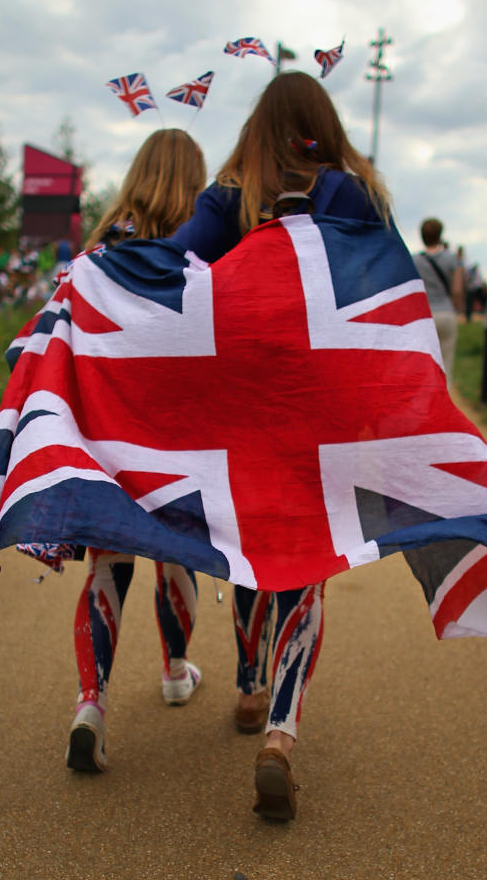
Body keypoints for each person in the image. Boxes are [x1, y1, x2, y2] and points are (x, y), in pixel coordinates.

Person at [170, 69, 393, 820]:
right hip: (322, 409)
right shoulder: (352, 195)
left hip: (237, 409)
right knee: (307, 563)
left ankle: (245, 682)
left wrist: (87, 282)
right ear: (322, 124)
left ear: (258, 128)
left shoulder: (229, 197)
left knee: (247, 544)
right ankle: (281, 732)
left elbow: (169, 268)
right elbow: (385, 296)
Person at [64, 128, 208, 774]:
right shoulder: (203, 257)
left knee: (109, 564)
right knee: (177, 556)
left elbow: (57, 346)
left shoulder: (95, 258)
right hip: (182, 441)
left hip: (110, 438)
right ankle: (175, 671)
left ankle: (90, 704)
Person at [413, 218, 465, 380]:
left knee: (425, 364)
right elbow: (457, 290)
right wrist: (460, 310)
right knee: (446, 364)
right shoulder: (452, 259)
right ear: (440, 235)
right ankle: (444, 400)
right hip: (446, 313)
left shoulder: (415, 260)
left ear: (422, 236)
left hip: (424, 316)